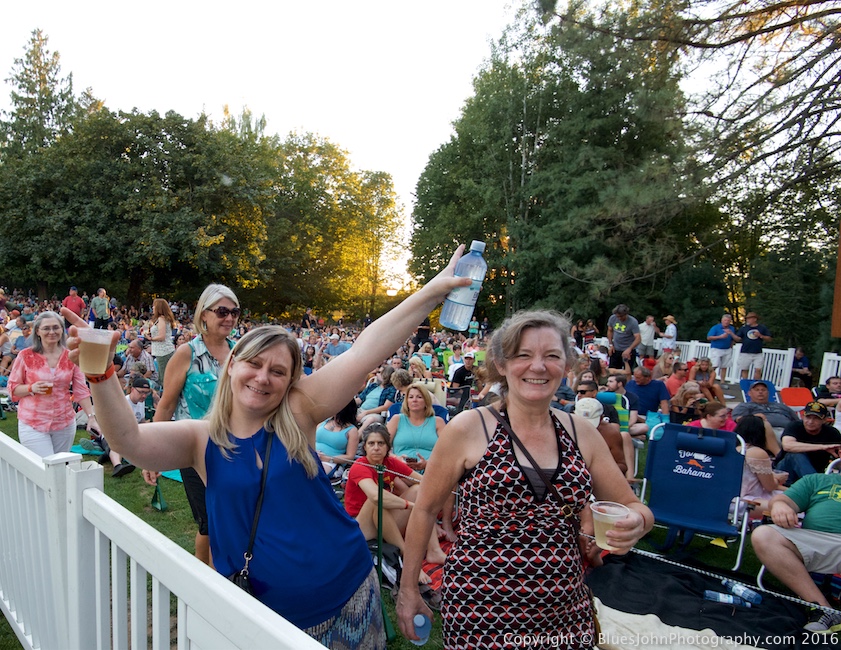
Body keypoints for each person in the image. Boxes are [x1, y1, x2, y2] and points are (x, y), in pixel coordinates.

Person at [62, 246, 469, 649]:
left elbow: (367, 349)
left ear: (291, 381)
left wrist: (434, 290)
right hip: (265, 616)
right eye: (254, 364)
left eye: (278, 371)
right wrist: (100, 376)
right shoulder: (199, 438)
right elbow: (127, 441)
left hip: (348, 594)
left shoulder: (296, 412)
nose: (263, 377)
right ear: (233, 363)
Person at [395, 310, 653, 647]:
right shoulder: (469, 428)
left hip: (563, 608)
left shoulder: (582, 434)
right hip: (480, 607)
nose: (538, 366)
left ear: (566, 365)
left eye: (551, 356)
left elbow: (634, 506)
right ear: (501, 364)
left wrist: (638, 521)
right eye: (524, 355)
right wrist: (409, 588)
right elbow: (425, 510)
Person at [146, 284, 241, 566]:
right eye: (222, 311)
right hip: (196, 450)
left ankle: (230, 575)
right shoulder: (186, 354)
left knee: (233, 520)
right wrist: (151, 455)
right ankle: (205, 580)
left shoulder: (241, 353)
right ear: (204, 315)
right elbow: (166, 405)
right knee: (209, 523)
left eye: (234, 312)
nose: (230, 318)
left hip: (237, 448)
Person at [344, 424, 446, 581]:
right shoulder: (360, 466)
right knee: (376, 500)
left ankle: (434, 551)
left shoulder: (390, 463)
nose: (376, 448)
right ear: (364, 447)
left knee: (419, 490)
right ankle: (407, 559)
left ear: (387, 447)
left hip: (384, 521)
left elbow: (425, 482)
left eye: (381, 443)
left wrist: (447, 479)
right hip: (361, 528)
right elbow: (377, 497)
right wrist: (412, 506)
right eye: (371, 444)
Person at [751, 473, 841, 632]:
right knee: (764, 535)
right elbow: (782, 500)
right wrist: (780, 505)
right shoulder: (817, 480)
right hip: (814, 541)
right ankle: (823, 609)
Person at [8, 311, 97, 457]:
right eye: (46, 328)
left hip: (64, 422)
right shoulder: (25, 356)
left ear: (62, 330)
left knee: (60, 469)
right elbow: (13, 388)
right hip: (33, 423)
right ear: (37, 331)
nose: (52, 332)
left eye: (56, 327)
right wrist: (31, 388)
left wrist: (91, 417)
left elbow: (81, 390)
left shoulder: (71, 356)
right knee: (44, 468)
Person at [775, 401, 841, 483]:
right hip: (785, 472)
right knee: (795, 454)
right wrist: (823, 447)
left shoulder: (832, 433)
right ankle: (816, 486)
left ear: (825, 420)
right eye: (808, 417)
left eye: (816, 418)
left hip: (815, 472)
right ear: (803, 416)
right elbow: (787, 446)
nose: (810, 422)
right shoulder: (794, 426)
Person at [734, 415, 786, 517]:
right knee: (789, 505)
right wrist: (778, 479)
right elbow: (769, 487)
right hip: (745, 501)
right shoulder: (756, 452)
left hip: (725, 500)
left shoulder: (731, 448)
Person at [388, 384, 446, 473]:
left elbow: (448, 450)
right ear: (406, 401)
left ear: (426, 401)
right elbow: (383, 447)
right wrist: (396, 459)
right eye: (411, 397)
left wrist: (428, 463)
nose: (414, 400)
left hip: (431, 470)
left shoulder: (438, 422)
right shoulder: (397, 419)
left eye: (419, 397)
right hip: (401, 470)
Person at [315, 399, 360, 477]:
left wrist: (327, 458)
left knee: (313, 475)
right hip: (312, 453)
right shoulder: (324, 421)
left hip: (330, 461)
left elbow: (350, 457)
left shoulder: (352, 430)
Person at [732, 380, 799, 430]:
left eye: (763, 390)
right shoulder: (744, 406)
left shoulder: (781, 406)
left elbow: (797, 421)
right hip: (763, 431)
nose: (760, 392)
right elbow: (738, 420)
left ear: (768, 393)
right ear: (749, 393)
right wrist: (753, 417)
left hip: (789, 431)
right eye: (757, 390)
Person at [147, 298, 177, 387]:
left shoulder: (161, 319)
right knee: (162, 375)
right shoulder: (161, 319)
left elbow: (162, 336)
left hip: (164, 351)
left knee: (164, 378)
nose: (152, 307)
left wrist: (151, 339)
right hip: (161, 351)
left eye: (154, 306)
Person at [736, 312, 772, 380]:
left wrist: (760, 336)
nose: (747, 320)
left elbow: (769, 339)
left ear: (754, 319)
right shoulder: (744, 328)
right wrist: (731, 335)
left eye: (749, 319)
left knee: (758, 369)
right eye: (747, 319)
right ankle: (745, 384)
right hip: (745, 352)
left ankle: (755, 384)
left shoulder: (762, 328)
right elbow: (738, 338)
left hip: (757, 352)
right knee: (744, 369)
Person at [706, 314, 740, 383]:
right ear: (722, 320)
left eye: (728, 320)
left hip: (727, 349)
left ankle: (722, 381)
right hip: (716, 348)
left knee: (724, 366)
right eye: (725, 320)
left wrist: (731, 342)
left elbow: (735, 339)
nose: (726, 322)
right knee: (714, 365)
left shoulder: (731, 328)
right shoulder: (716, 327)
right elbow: (709, 337)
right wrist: (720, 337)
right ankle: (708, 379)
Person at [606, 304, 641, 370]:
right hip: (615, 348)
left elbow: (638, 338)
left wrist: (629, 349)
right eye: (617, 316)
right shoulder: (612, 318)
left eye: (621, 316)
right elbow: (610, 330)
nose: (619, 318)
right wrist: (610, 344)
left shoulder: (633, 322)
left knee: (628, 370)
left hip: (628, 349)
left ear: (626, 314)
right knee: (612, 369)